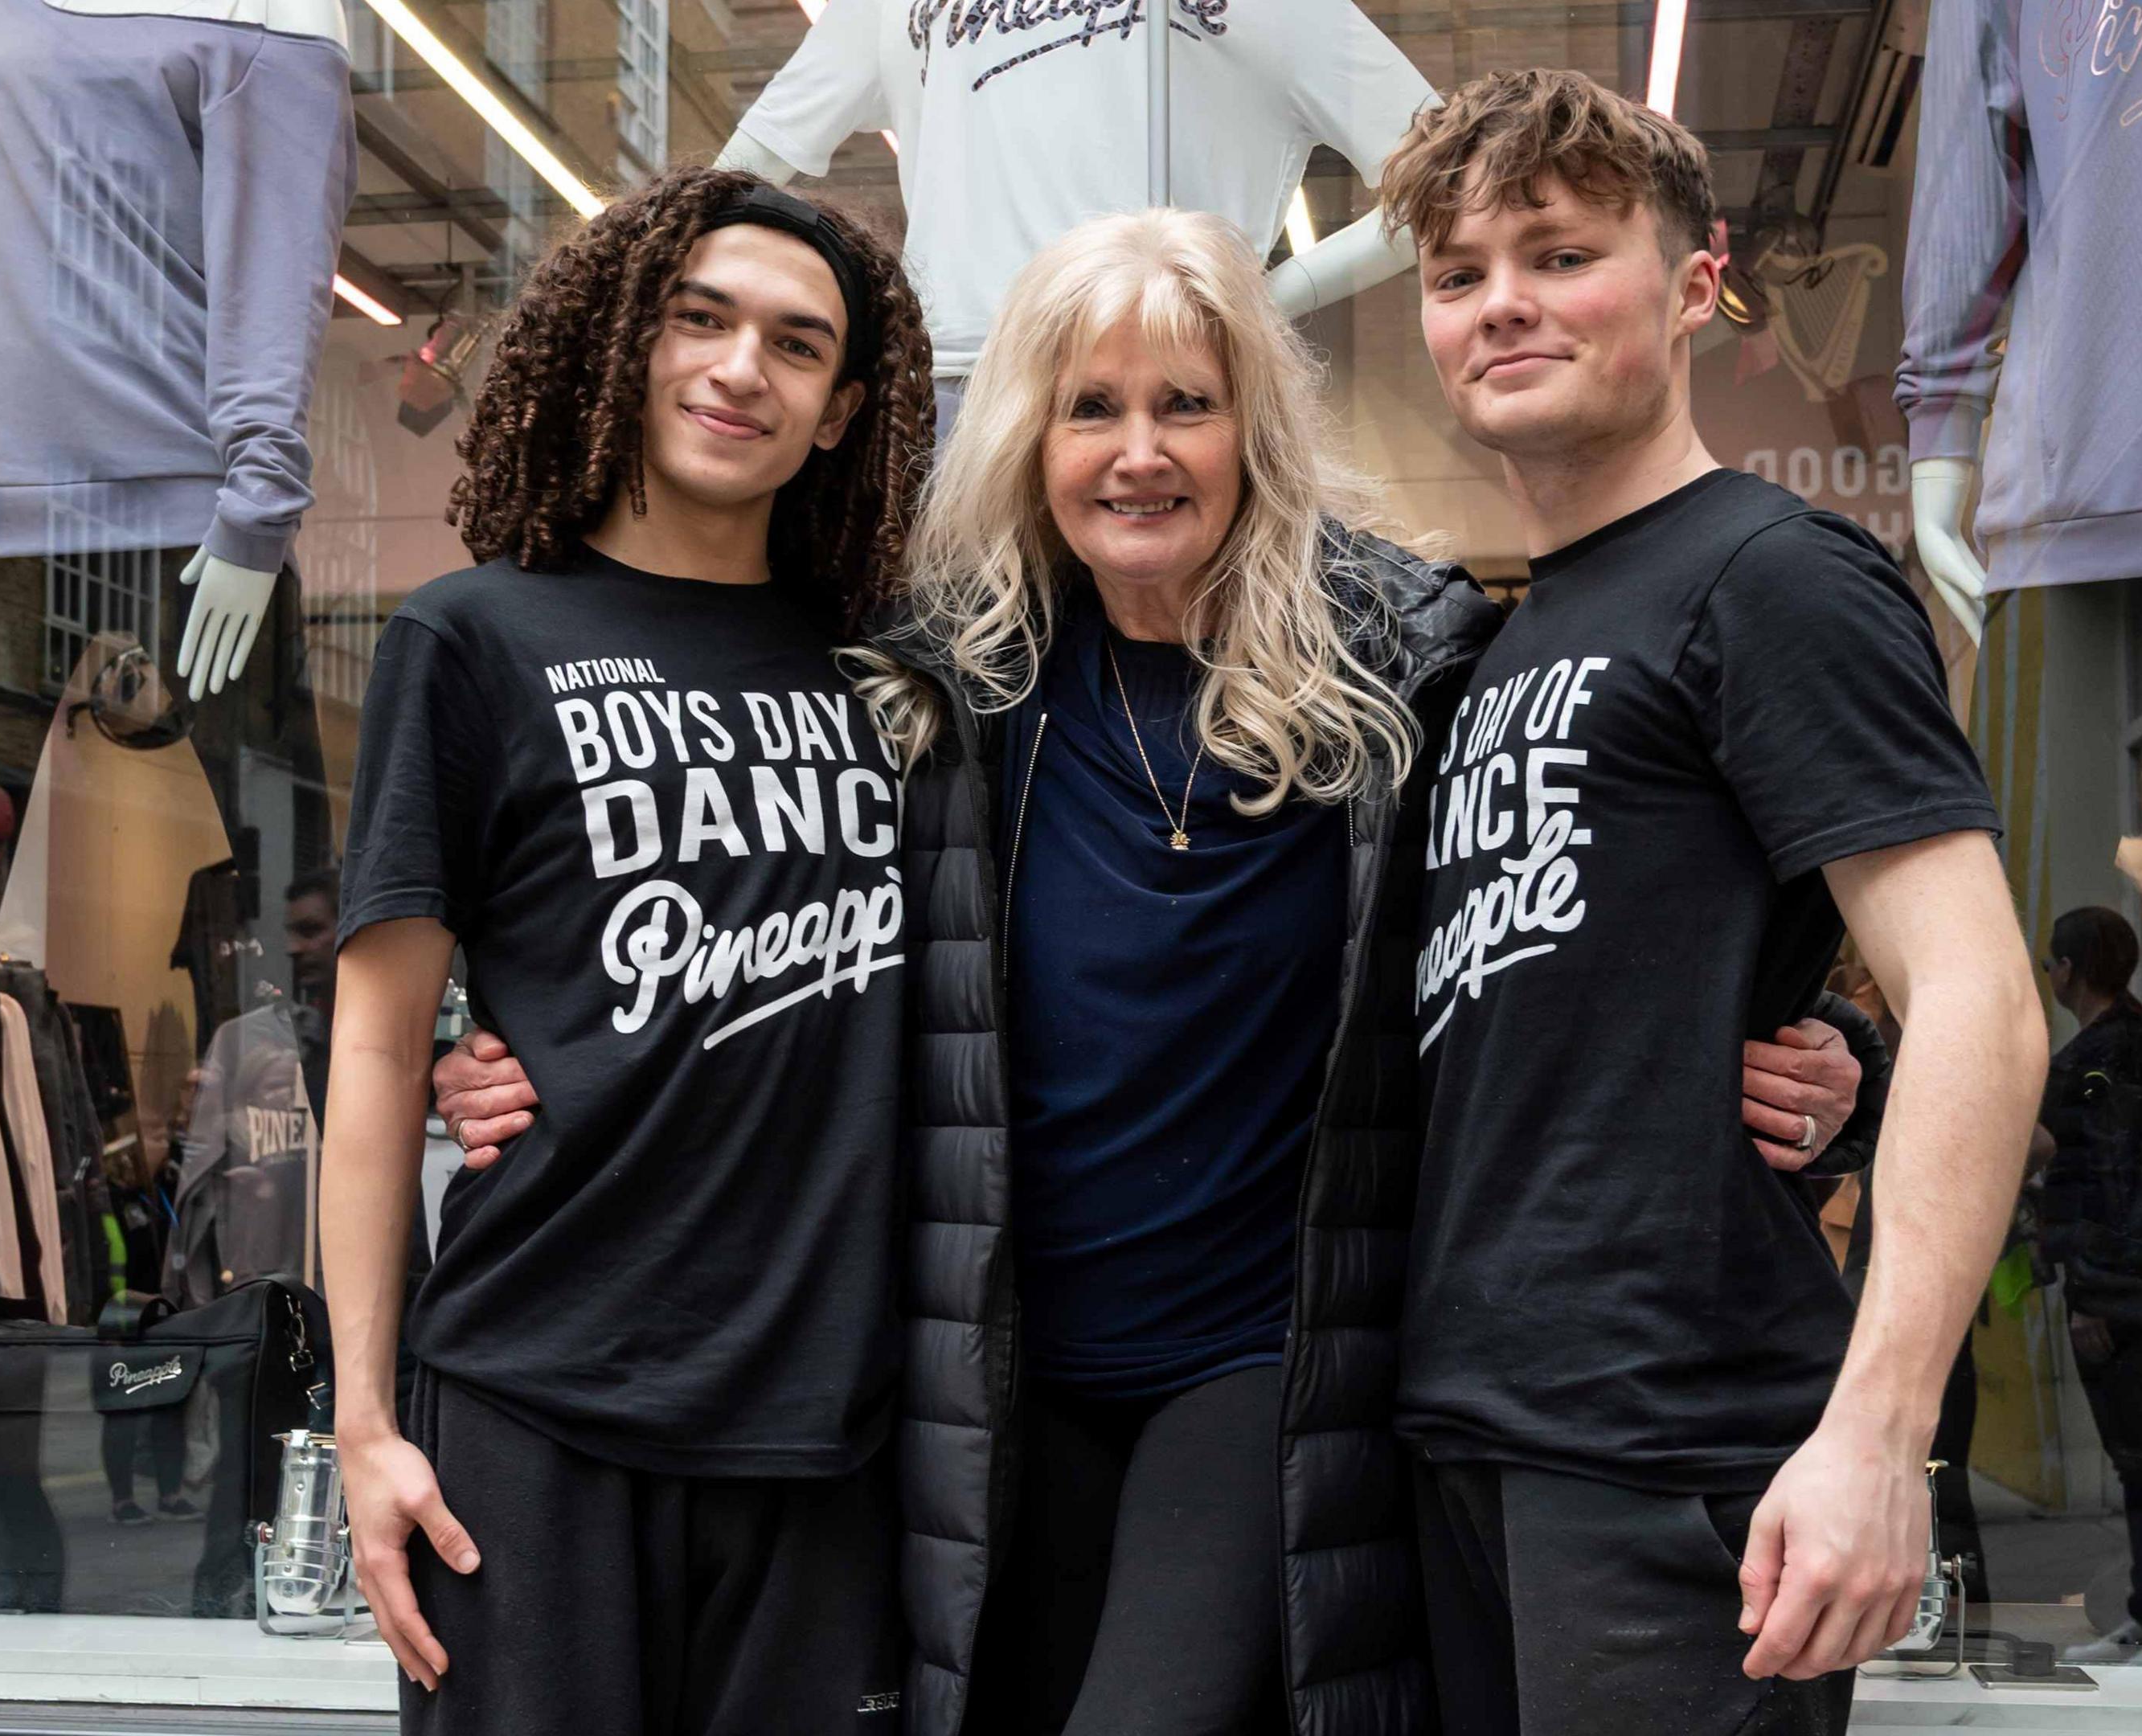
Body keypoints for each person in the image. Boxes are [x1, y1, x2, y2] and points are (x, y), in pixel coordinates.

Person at [433, 208, 1890, 1735]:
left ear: (1251, 429)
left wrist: (1826, 1045)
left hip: (1257, 1362)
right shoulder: (940, 692)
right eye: (1093, 410)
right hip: (994, 1385)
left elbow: (1585, 923)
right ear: (1033, 440)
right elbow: (745, 912)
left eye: (1186, 405)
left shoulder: (1403, 673)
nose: (1141, 453)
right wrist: (521, 1041)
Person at [1375, 69, 2048, 1733]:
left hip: (1674, 1441)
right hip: (1479, 1430)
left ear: (1691, 285)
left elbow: (1980, 1000)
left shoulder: (1776, 575)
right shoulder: (1506, 638)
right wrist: (1808, 1042)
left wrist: (1881, 1438)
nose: (1501, 304)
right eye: (1459, 275)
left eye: (1558, 254)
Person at [320, 168, 936, 1735]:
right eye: (700, 318)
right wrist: (366, 1425)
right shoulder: (471, 640)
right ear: (624, 339)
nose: (741, 369)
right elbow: (384, 1051)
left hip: (826, 1435)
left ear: (845, 408)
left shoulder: (904, 683)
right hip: (533, 1407)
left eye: (797, 348)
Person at [2032, 906, 2142, 1667]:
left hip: (2123, 1287)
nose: (2048, 976)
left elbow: (2102, 1188)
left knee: (2141, 1454)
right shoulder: (2139, 1045)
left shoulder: (2100, 1061)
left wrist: (2093, 1295)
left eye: (2051, 963)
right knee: (2138, 1452)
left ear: (2069, 969)